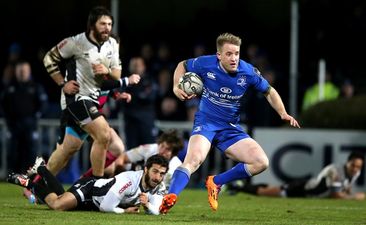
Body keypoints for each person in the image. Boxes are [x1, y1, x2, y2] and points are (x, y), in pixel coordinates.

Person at [159, 32, 300, 214]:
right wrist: (176, 86)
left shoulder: (248, 72)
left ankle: (216, 182)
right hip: (206, 123)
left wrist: (283, 113)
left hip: (230, 128)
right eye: (229, 54)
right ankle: (170, 197)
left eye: (237, 53)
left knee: (261, 162)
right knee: (193, 161)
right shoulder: (205, 63)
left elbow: (269, 91)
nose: (234, 58)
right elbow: (182, 65)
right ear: (219, 55)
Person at [42, 6, 125, 178]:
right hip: (76, 99)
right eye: (102, 24)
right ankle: (95, 185)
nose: (107, 28)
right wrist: (62, 84)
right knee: (103, 134)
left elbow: (116, 76)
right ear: (92, 25)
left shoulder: (112, 44)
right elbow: (49, 58)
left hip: (92, 101)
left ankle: (38, 185)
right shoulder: (76, 42)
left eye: (110, 24)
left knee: (68, 149)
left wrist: (106, 72)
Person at [7, 154, 169, 215]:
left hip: (94, 205)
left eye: (162, 173)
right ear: (146, 169)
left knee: (61, 197)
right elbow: (106, 206)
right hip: (91, 189)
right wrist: (125, 211)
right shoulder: (129, 180)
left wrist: (148, 206)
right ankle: (27, 182)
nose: (158, 177)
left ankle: (41, 168)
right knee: (57, 205)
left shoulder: (159, 186)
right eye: (155, 171)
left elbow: (158, 211)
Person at [236, 151, 365, 200]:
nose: (355, 169)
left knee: (272, 189)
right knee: (266, 192)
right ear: (347, 163)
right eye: (353, 165)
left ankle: (242, 186)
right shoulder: (338, 171)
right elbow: (335, 195)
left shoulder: (355, 173)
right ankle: (237, 187)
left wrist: (348, 192)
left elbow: (345, 188)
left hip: (308, 192)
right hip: (302, 189)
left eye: (358, 166)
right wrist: (355, 197)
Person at [81, 130, 185, 189]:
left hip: (153, 188)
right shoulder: (149, 148)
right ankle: (87, 182)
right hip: (136, 178)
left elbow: (165, 190)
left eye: (167, 149)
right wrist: (119, 171)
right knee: (111, 166)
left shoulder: (176, 167)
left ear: (174, 152)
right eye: (162, 146)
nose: (162, 151)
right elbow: (122, 158)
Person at [0, 60, 48, 173]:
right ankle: (12, 174)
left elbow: (43, 104)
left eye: (24, 70)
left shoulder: (35, 87)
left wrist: (36, 116)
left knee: (31, 151)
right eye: (20, 71)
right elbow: (2, 104)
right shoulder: (10, 87)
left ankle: (29, 176)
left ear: (29, 71)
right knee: (13, 150)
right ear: (16, 72)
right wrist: (7, 118)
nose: (22, 73)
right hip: (13, 125)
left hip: (30, 125)